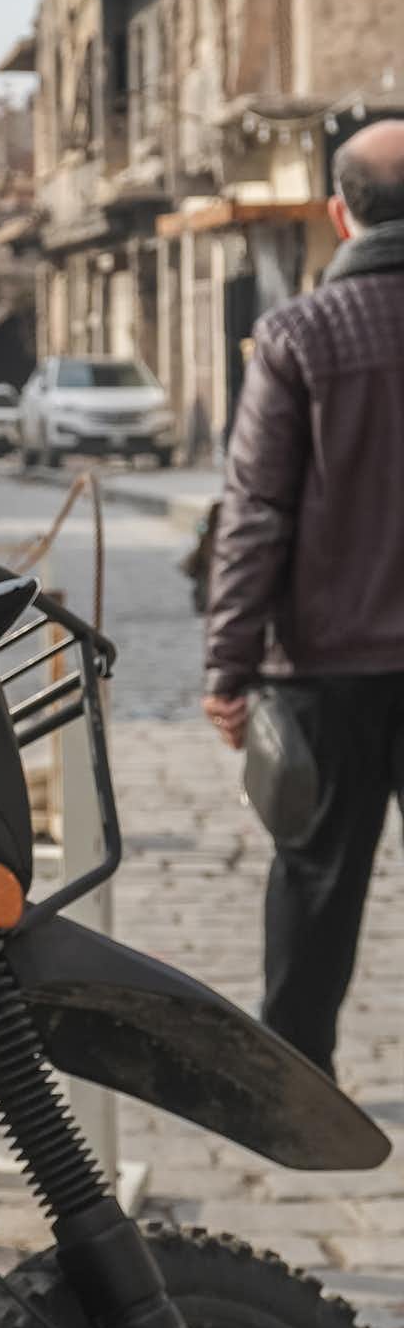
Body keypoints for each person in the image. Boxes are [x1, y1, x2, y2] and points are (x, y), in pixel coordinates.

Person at [201, 118, 404, 1074]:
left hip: (324, 667)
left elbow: (255, 511)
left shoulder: (299, 334)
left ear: (340, 214)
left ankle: (295, 1083)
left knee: (316, 876)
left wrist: (229, 664)